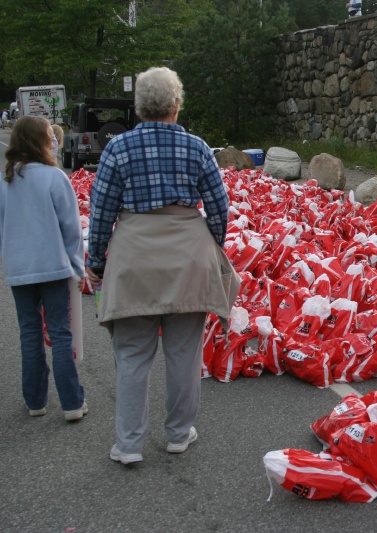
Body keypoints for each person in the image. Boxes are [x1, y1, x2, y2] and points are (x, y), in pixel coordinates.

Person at [86, 66, 240, 465]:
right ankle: (177, 433)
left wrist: (98, 263)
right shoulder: (198, 148)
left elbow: (101, 212)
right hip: (188, 258)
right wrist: (209, 246)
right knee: (184, 353)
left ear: (138, 108)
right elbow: (219, 207)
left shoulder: (116, 149)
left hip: (134, 256)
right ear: (176, 105)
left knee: (132, 355)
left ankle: (129, 443)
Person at [0, 115, 88, 421]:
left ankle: (35, 400)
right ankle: (72, 403)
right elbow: (71, 228)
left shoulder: (6, 180)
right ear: (42, 141)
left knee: (29, 333)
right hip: (53, 265)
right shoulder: (54, 177)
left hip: (20, 268)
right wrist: (77, 266)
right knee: (61, 333)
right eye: (50, 135)